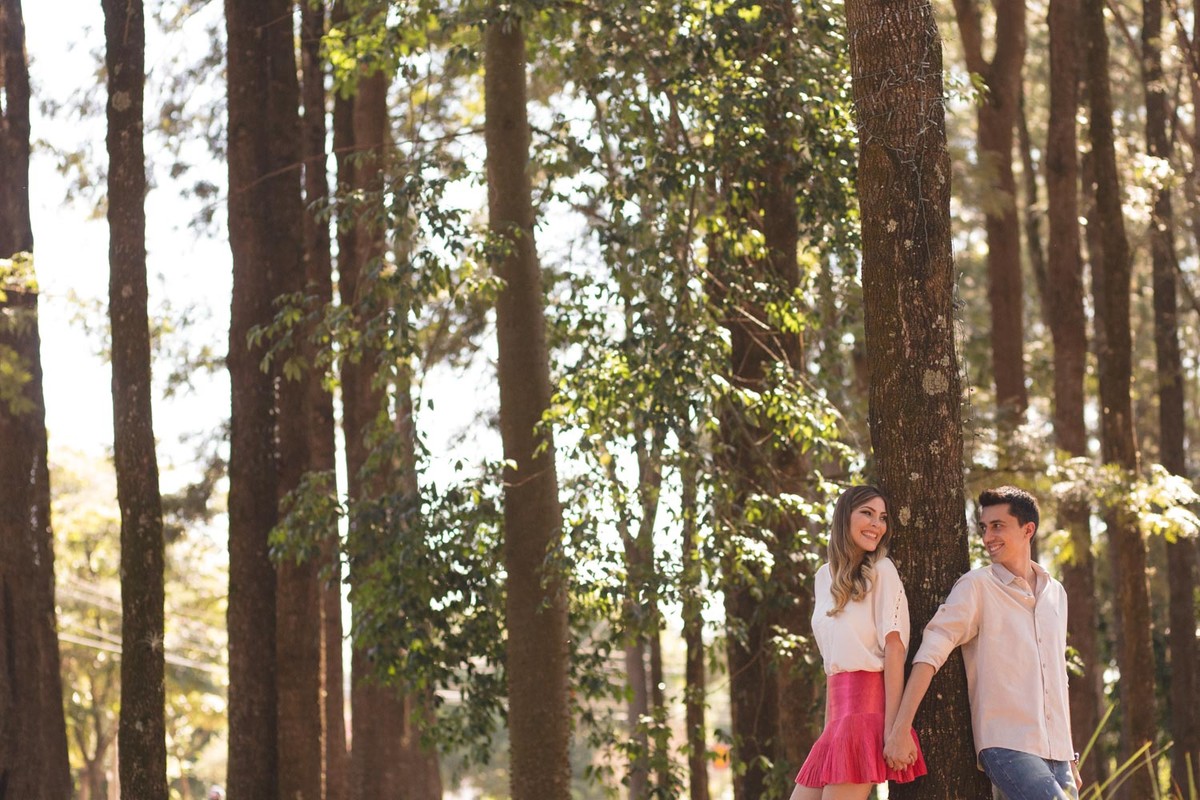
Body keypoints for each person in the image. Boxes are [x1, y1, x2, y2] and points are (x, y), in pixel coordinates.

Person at [883, 485, 1082, 799]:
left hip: (1058, 753)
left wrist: (1069, 753)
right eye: (984, 528)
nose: (988, 537)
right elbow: (930, 653)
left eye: (998, 526)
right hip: (1007, 743)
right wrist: (899, 729)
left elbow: (1058, 677)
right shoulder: (976, 586)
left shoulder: (1055, 592)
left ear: (1027, 529)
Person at [790, 485, 927, 800]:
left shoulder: (882, 570)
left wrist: (895, 730)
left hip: (867, 714)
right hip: (836, 718)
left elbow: (895, 650)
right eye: (867, 513)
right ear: (843, 518)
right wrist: (829, 730)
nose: (876, 524)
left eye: (882, 517)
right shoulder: (823, 577)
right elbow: (832, 666)